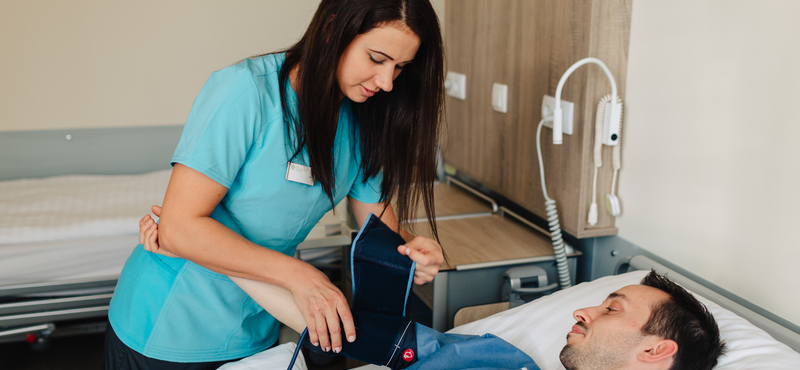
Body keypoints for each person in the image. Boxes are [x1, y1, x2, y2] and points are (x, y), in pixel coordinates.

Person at [104, 1, 446, 369]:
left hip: (255, 325)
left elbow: (378, 235)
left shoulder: (364, 122)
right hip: (167, 324)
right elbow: (179, 227)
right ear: (333, 28)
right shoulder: (246, 92)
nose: (387, 81)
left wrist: (411, 252)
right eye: (377, 59)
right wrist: (301, 275)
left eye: (400, 67)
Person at [139, 215, 725, 370]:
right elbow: (350, 332)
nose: (583, 307)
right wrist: (204, 249)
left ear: (655, 350)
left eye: (611, 308)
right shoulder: (502, 361)